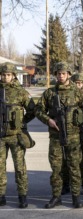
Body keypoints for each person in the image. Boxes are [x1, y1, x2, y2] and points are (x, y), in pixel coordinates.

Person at [35, 62, 83, 209]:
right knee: (56, 168)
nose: (60, 75)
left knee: (74, 167)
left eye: (63, 73)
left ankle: (76, 197)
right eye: (58, 73)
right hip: (55, 137)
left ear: (69, 75)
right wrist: (49, 120)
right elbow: (38, 111)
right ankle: (56, 196)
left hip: (74, 137)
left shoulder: (78, 92)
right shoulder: (50, 93)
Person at [0, 62, 35, 208]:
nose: (5, 77)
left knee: (20, 167)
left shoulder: (21, 92)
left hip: (16, 136)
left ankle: (22, 196)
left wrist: (22, 122)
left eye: (8, 74)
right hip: (0, 136)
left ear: (13, 75)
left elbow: (33, 110)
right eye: (3, 74)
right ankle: (1, 195)